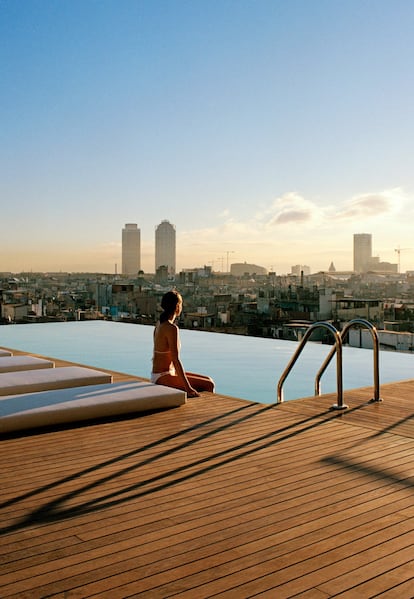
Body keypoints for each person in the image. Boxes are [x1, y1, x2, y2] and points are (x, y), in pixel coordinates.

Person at [151, 290, 215, 398]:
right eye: (181, 304)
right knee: (209, 385)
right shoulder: (171, 328)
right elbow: (175, 359)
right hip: (163, 376)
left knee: (209, 380)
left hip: (164, 373)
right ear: (177, 307)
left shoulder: (159, 324)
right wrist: (188, 388)